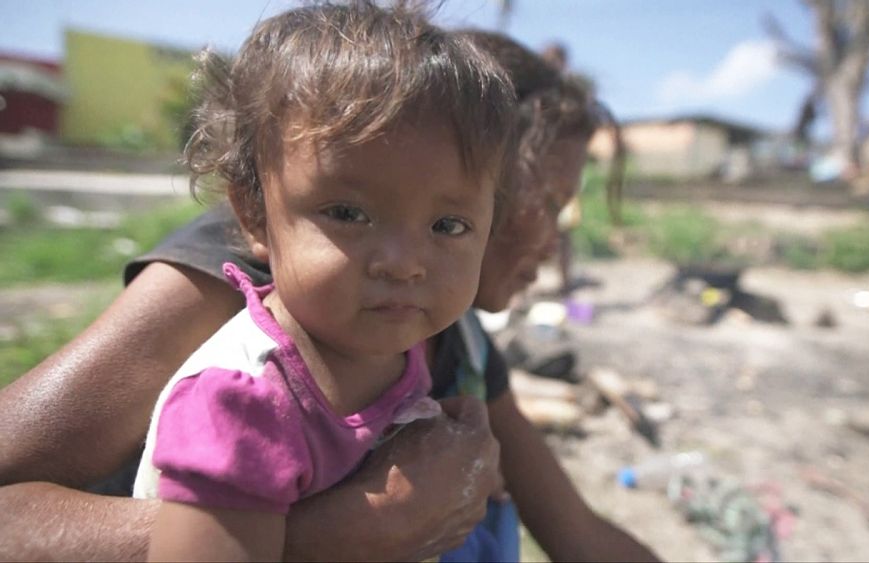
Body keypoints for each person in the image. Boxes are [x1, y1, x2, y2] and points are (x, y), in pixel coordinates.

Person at [0, 26, 658, 563]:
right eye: (547, 202)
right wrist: (324, 531)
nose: (553, 240)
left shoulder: (451, 339)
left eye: (449, 223)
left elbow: (579, 533)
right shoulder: (249, 294)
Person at [128, 3, 516, 561]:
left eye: (448, 225)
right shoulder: (242, 409)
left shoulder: (389, 348)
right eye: (348, 214)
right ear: (255, 214)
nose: (404, 263)